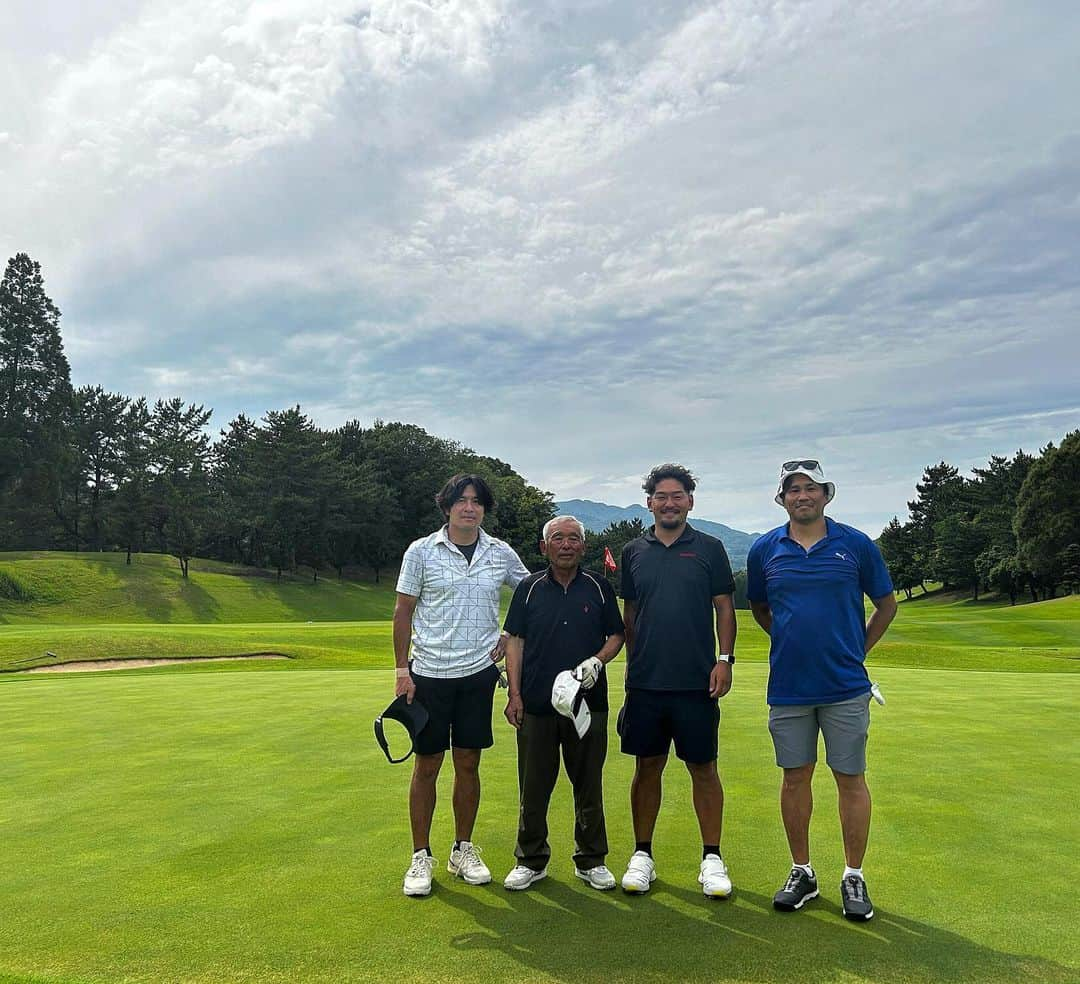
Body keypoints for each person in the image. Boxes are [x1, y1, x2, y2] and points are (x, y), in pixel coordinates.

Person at [746, 459, 897, 921]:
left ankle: (854, 874)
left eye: (810, 488)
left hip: (845, 686)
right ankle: (802, 871)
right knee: (794, 778)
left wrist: (856, 651)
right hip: (789, 687)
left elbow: (886, 606)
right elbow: (761, 609)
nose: (802, 496)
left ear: (826, 494)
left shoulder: (856, 545)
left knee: (850, 779)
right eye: (793, 490)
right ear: (783, 498)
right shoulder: (763, 550)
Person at [394, 473, 531, 897]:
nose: (468, 507)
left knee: (468, 763)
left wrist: (509, 634)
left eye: (476, 501)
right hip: (430, 673)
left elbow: (530, 594)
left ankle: (462, 849)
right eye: (461, 500)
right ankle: (421, 856)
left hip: (477, 675)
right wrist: (402, 670)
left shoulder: (499, 552)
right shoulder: (421, 551)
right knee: (428, 765)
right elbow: (403, 612)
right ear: (447, 506)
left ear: (484, 509)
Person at [618, 463, 737, 898]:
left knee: (703, 768)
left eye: (678, 495)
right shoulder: (633, 551)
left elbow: (723, 606)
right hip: (647, 681)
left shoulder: (710, 547)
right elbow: (630, 614)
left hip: (696, 681)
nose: (669, 503)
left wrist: (724, 659)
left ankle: (712, 858)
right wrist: (634, 663)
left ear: (690, 500)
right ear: (649, 502)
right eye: (661, 496)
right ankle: (642, 855)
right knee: (646, 766)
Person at [501, 516, 625, 891]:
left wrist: (597, 660)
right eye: (558, 538)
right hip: (538, 704)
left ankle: (590, 859)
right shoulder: (529, 588)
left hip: (587, 704)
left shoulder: (598, 587)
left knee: (588, 783)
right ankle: (531, 859)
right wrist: (515, 694)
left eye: (574, 538)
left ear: (583, 547)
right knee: (534, 785)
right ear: (545, 547)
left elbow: (617, 635)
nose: (566, 544)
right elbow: (515, 642)